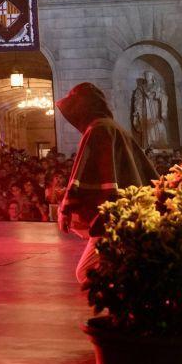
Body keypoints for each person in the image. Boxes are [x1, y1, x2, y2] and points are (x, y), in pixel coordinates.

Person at [56, 82, 157, 287]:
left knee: (86, 273)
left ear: (82, 108)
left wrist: (66, 208)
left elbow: (84, 174)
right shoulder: (114, 128)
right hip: (130, 211)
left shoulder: (98, 129)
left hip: (113, 216)